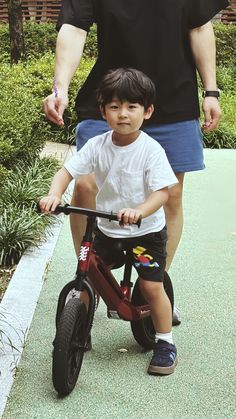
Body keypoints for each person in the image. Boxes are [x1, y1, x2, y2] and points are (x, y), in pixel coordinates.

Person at [43, 0, 229, 325]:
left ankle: (151, 286)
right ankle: (90, 284)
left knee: (169, 195)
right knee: (85, 185)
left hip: (171, 99)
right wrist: (60, 87)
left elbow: (200, 26)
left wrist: (211, 91)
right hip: (110, 101)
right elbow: (73, 28)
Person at [40, 68, 179, 375]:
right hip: (107, 229)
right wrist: (53, 194)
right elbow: (67, 171)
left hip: (145, 233)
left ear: (148, 111)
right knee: (87, 276)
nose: (123, 114)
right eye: (114, 107)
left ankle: (166, 342)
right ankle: (78, 328)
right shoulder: (98, 145)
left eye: (132, 107)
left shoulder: (150, 151)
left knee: (151, 285)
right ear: (103, 111)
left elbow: (162, 194)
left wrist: (141, 210)